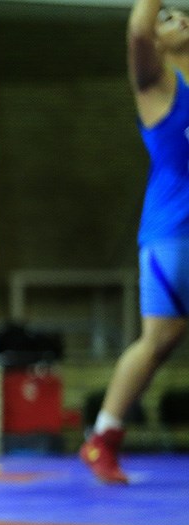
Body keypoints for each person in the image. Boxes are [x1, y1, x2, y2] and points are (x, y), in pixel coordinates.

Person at [80, 1, 189, 484]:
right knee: (159, 339)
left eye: (183, 14)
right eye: (168, 17)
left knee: (164, 340)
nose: (179, 19)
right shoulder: (157, 86)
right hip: (173, 235)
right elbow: (138, 32)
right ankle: (103, 437)